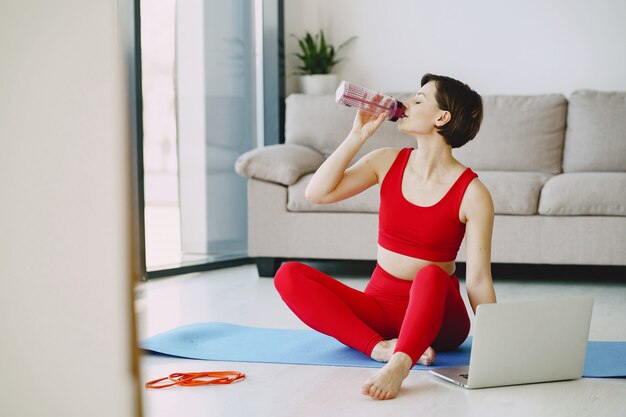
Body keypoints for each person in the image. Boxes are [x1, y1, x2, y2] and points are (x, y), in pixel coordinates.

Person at [273, 73, 497, 400]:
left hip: (441, 320)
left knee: (431, 274)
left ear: (441, 117)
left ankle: (399, 365)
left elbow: (478, 282)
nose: (406, 104)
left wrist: (499, 343)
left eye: (419, 100)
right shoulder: (386, 160)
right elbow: (317, 193)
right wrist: (356, 135)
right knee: (288, 275)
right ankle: (380, 350)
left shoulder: (473, 193)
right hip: (380, 309)